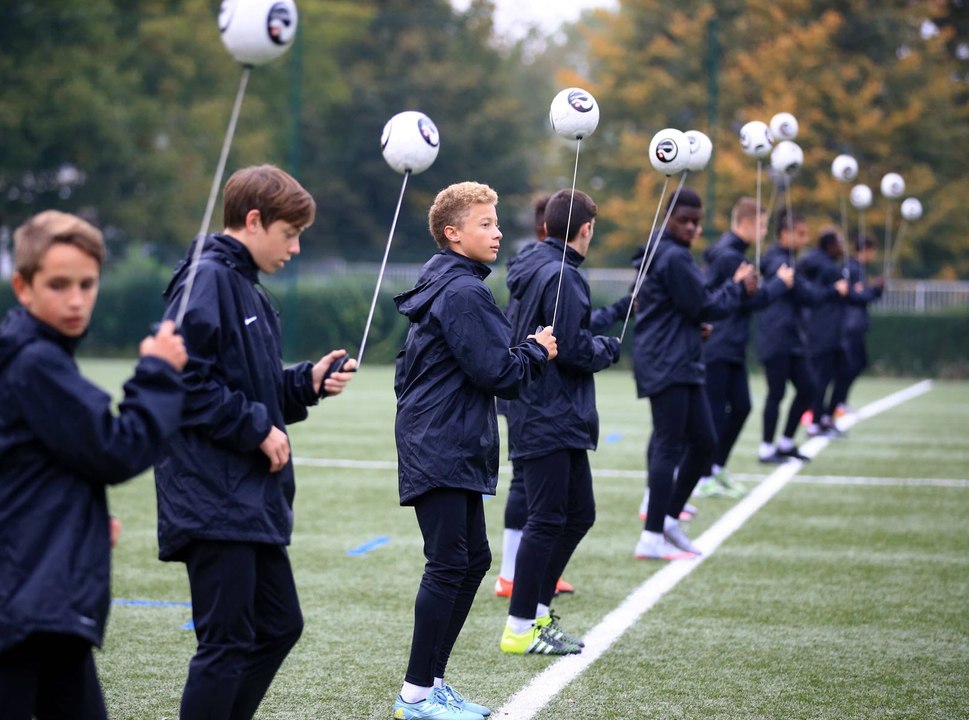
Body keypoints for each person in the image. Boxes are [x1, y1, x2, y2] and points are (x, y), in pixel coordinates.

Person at [153, 165, 357, 720]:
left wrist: (307, 382)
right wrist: (255, 428)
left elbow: (254, 387)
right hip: (211, 494)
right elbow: (179, 380)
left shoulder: (248, 289)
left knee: (278, 625)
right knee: (224, 645)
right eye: (290, 234)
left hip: (245, 497)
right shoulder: (208, 279)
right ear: (253, 221)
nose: (295, 248)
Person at [0, 210, 187, 720]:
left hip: (39, 596)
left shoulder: (36, 354)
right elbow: (116, 449)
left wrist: (80, 519)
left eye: (87, 283)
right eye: (59, 284)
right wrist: (158, 371)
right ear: (23, 286)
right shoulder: (34, 362)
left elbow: (33, 467)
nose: (77, 299)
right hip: (27, 607)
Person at [392, 182, 556, 719]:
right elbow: (500, 373)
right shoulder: (462, 291)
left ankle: (431, 684)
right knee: (447, 564)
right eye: (485, 223)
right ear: (452, 233)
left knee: (473, 560)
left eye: (496, 221)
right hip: (440, 441)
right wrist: (537, 348)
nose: (497, 231)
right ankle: (415, 695)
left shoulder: (448, 281)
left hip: (445, 439)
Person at [499, 189, 621, 656]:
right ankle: (519, 625)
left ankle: (537, 611)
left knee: (577, 513)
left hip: (544, 409)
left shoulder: (531, 264)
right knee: (548, 519)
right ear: (585, 229)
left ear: (547, 227)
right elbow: (570, 349)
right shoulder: (563, 276)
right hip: (549, 410)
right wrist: (607, 349)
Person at [630, 188, 754, 561]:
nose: (691, 228)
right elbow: (704, 305)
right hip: (666, 361)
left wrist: (692, 325)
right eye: (684, 221)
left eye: (697, 222)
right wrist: (737, 288)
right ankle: (651, 535)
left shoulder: (665, 253)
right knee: (671, 443)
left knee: (703, 441)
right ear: (668, 218)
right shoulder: (673, 257)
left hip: (679, 357)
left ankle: (666, 520)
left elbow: (674, 305)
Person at [495, 195, 575, 599]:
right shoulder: (542, 268)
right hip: (524, 379)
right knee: (525, 483)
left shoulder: (530, 265)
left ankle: (518, 573)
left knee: (527, 484)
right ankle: (510, 574)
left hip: (522, 377)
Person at [695, 198, 793, 498]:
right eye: (762, 226)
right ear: (747, 224)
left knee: (741, 407)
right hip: (718, 345)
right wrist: (779, 283)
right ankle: (701, 476)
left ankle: (716, 467)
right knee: (713, 414)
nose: (764, 232)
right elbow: (753, 300)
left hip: (732, 345)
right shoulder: (728, 256)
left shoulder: (734, 254)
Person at [756, 210, 845, 463]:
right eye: (801, 234)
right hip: (775, 336)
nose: (805, 240)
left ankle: (785, 442)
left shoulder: (790, 260)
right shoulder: (777, 260)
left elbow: (808, 293)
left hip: (793, 338)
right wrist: (833, 290)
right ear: (785, 234)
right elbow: (808, 294)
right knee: (776, 393)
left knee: (809, 387)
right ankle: (765, 448)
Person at [797, 227, 853, 437]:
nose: (842, 247)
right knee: (820, 377)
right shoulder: (819, 264)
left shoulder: (828, 265)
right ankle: (815, 422)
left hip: (833, 331)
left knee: (843, 371)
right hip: (821, 330)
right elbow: (813, 295)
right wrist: (835, 289)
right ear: (829, 245)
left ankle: (825, 416)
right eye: (839, 243)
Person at [830, 235, 883, 414]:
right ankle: (836, 403)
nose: (874, 255)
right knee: (848, 366)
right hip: (849, 325)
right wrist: (874, 290)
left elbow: (863, 295)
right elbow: (854, 296)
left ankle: (840, 402)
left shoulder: (859, 268)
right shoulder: (850, 267)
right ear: (866, 249)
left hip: (857, 324)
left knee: (857, 365)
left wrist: (874, 291)